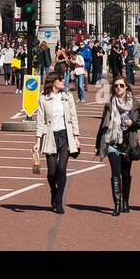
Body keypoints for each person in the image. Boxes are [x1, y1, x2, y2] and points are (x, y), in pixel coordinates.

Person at [95, 76, 140, 215]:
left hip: (128, 143)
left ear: (126, 87)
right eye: (116, 86)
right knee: (115, 173)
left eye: (121, 86)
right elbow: (103, 124)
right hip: (112, 142)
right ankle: (116, 204)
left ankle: (126, 202)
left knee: (126, 174)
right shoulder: (109, 104)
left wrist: (132, 124)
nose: (118, 88)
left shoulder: (134, 104)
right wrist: (98, 144)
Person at [35, 74, 80, 214]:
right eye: (60, 80)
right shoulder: (44, 98)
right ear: (52, 82)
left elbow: (73, 117)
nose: (63, 82)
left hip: (65, 135)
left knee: (62, 169)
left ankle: (59, 201)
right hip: (50, 136)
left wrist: (76, 137)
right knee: (52, 172)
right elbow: (40, 120)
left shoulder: (67, 96)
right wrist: (37, 141)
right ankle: (53, 191)